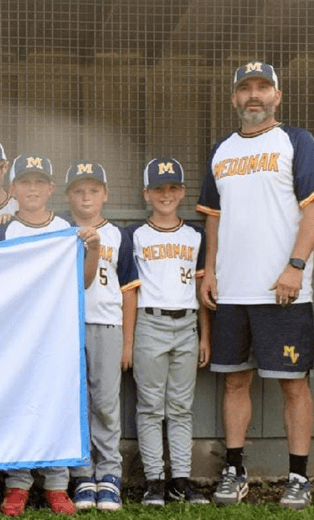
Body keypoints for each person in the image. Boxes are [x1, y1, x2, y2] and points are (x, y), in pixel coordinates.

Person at [196, 61, 314, 510]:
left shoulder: (297, 141)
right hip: (232, 290)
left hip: (282, 289)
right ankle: (234, 470)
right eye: (245, 88)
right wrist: (209, 271)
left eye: (263, 88)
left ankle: (299, 476)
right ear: (234, 98)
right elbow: (212, 217)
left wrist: (295, 266)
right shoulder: (221, 150)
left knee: (293, 384)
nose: (254, 95)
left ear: (277, 96)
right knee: (234, 383)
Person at [0, 154, 98, 517]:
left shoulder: (66, 229)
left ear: (50, 188)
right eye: (24, 182)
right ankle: (17, 483)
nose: (32, 189)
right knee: (19, 402)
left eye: (39, 182)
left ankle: (56, 483)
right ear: (13, 188)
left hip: (57, 332)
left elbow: (82, 282)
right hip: (17, 336)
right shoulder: (2, 231)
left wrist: (92, 248)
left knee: (58, 403)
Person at [120, 159, 210, 508]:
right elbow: (130, 290)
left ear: (182, 192)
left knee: (180, 407)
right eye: (159, 189)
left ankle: (181, 480)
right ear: (146, 193)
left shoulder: (195, 235)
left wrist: (206, 335)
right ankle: (154, 481)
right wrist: (128, 342)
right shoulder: (134, 235)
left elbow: (202, 290)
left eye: (173, 188)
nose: (166, 195)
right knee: (149, 407)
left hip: (186, 324)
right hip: (150, 323)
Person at [59, 161, 131, 512]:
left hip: (107, 324)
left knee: (105, 401)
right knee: (77, 401)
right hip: (67, 325)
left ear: (105, 194)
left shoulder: (120, 235)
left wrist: (128, 342)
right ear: (68, 195)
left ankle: (110, 475)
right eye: (78, 190)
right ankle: (82, 475)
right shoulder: (59, 231)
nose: (86, 197)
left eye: (93, 190)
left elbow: (130, 292)